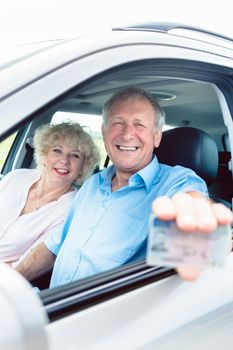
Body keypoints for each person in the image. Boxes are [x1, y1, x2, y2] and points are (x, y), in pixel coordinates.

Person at [15, 87, 233, 286]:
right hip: (50, 309)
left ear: (156, 137)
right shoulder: (91, 185)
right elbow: (54, 246)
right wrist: (13, 281)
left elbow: (192, 202)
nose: (127, 134)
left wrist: (200, 223)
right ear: (104, 132)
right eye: (118, 123)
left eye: (139, 124)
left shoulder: (177, 181)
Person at [0, 121, 100, 265]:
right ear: (44, 153)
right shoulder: (15, 177)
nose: (64, 160)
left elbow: (25, 264)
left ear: (84, 165)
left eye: (75, 155)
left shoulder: (73, 209)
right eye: (57, 150)